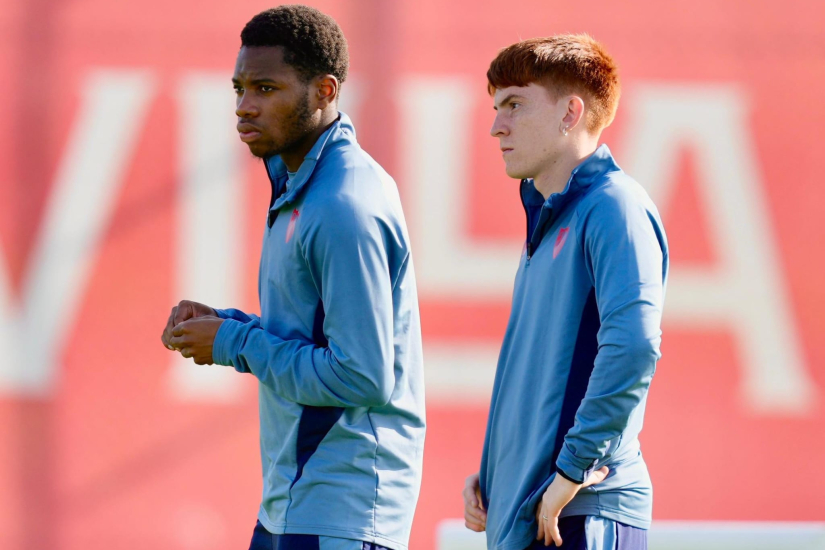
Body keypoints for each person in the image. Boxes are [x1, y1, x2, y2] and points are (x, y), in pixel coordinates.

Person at [160, 6, 425, 550]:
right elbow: (314, 337)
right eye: (238, 88)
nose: (243, 106)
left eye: (265, 88)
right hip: (293, 505)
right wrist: (225, 325)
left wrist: (234, 342)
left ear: (325, 91)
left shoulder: (344, 202)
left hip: (343, 516)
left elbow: (362, 376)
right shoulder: (301, 186)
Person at [462, 35, 668, 550]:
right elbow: (540, 375)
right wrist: (494, 474)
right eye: (495, 107)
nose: (496, 126)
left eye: (514, 104)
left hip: (580, 513)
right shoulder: (550, 219)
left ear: (570, 112)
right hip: (537, 511)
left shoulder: (614, 206)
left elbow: (634, 347)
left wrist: (573, 472)